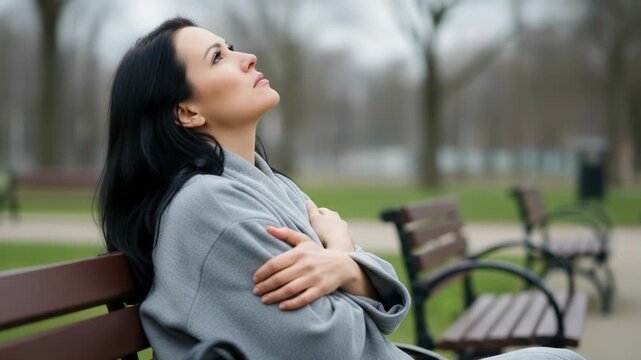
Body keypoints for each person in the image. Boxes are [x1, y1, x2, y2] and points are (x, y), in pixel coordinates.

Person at [99, 17, 585, 360]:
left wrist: (341, 268)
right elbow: (332, 350)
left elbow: (382, 316)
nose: (247, 57)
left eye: (232, 46)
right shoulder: (209, 208)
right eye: (219, 56)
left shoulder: (269, 185)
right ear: (187, 112)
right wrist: (343, 249)